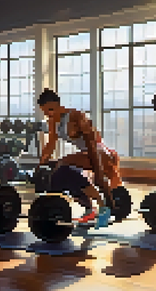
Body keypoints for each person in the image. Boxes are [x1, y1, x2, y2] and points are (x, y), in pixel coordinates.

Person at [37, 88, 122, 228]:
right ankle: (89, 207)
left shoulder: (76, 116)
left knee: (63, 163)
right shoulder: (53, 122)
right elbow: (50, 145)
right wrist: (40, 165)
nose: (49, 114)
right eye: (46, 112)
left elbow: (92, 143)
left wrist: (99, 172)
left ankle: (104, 206)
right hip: (85, 153)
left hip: (99, 152)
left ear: (59, 104)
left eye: (51, 109)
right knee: (60, 175)